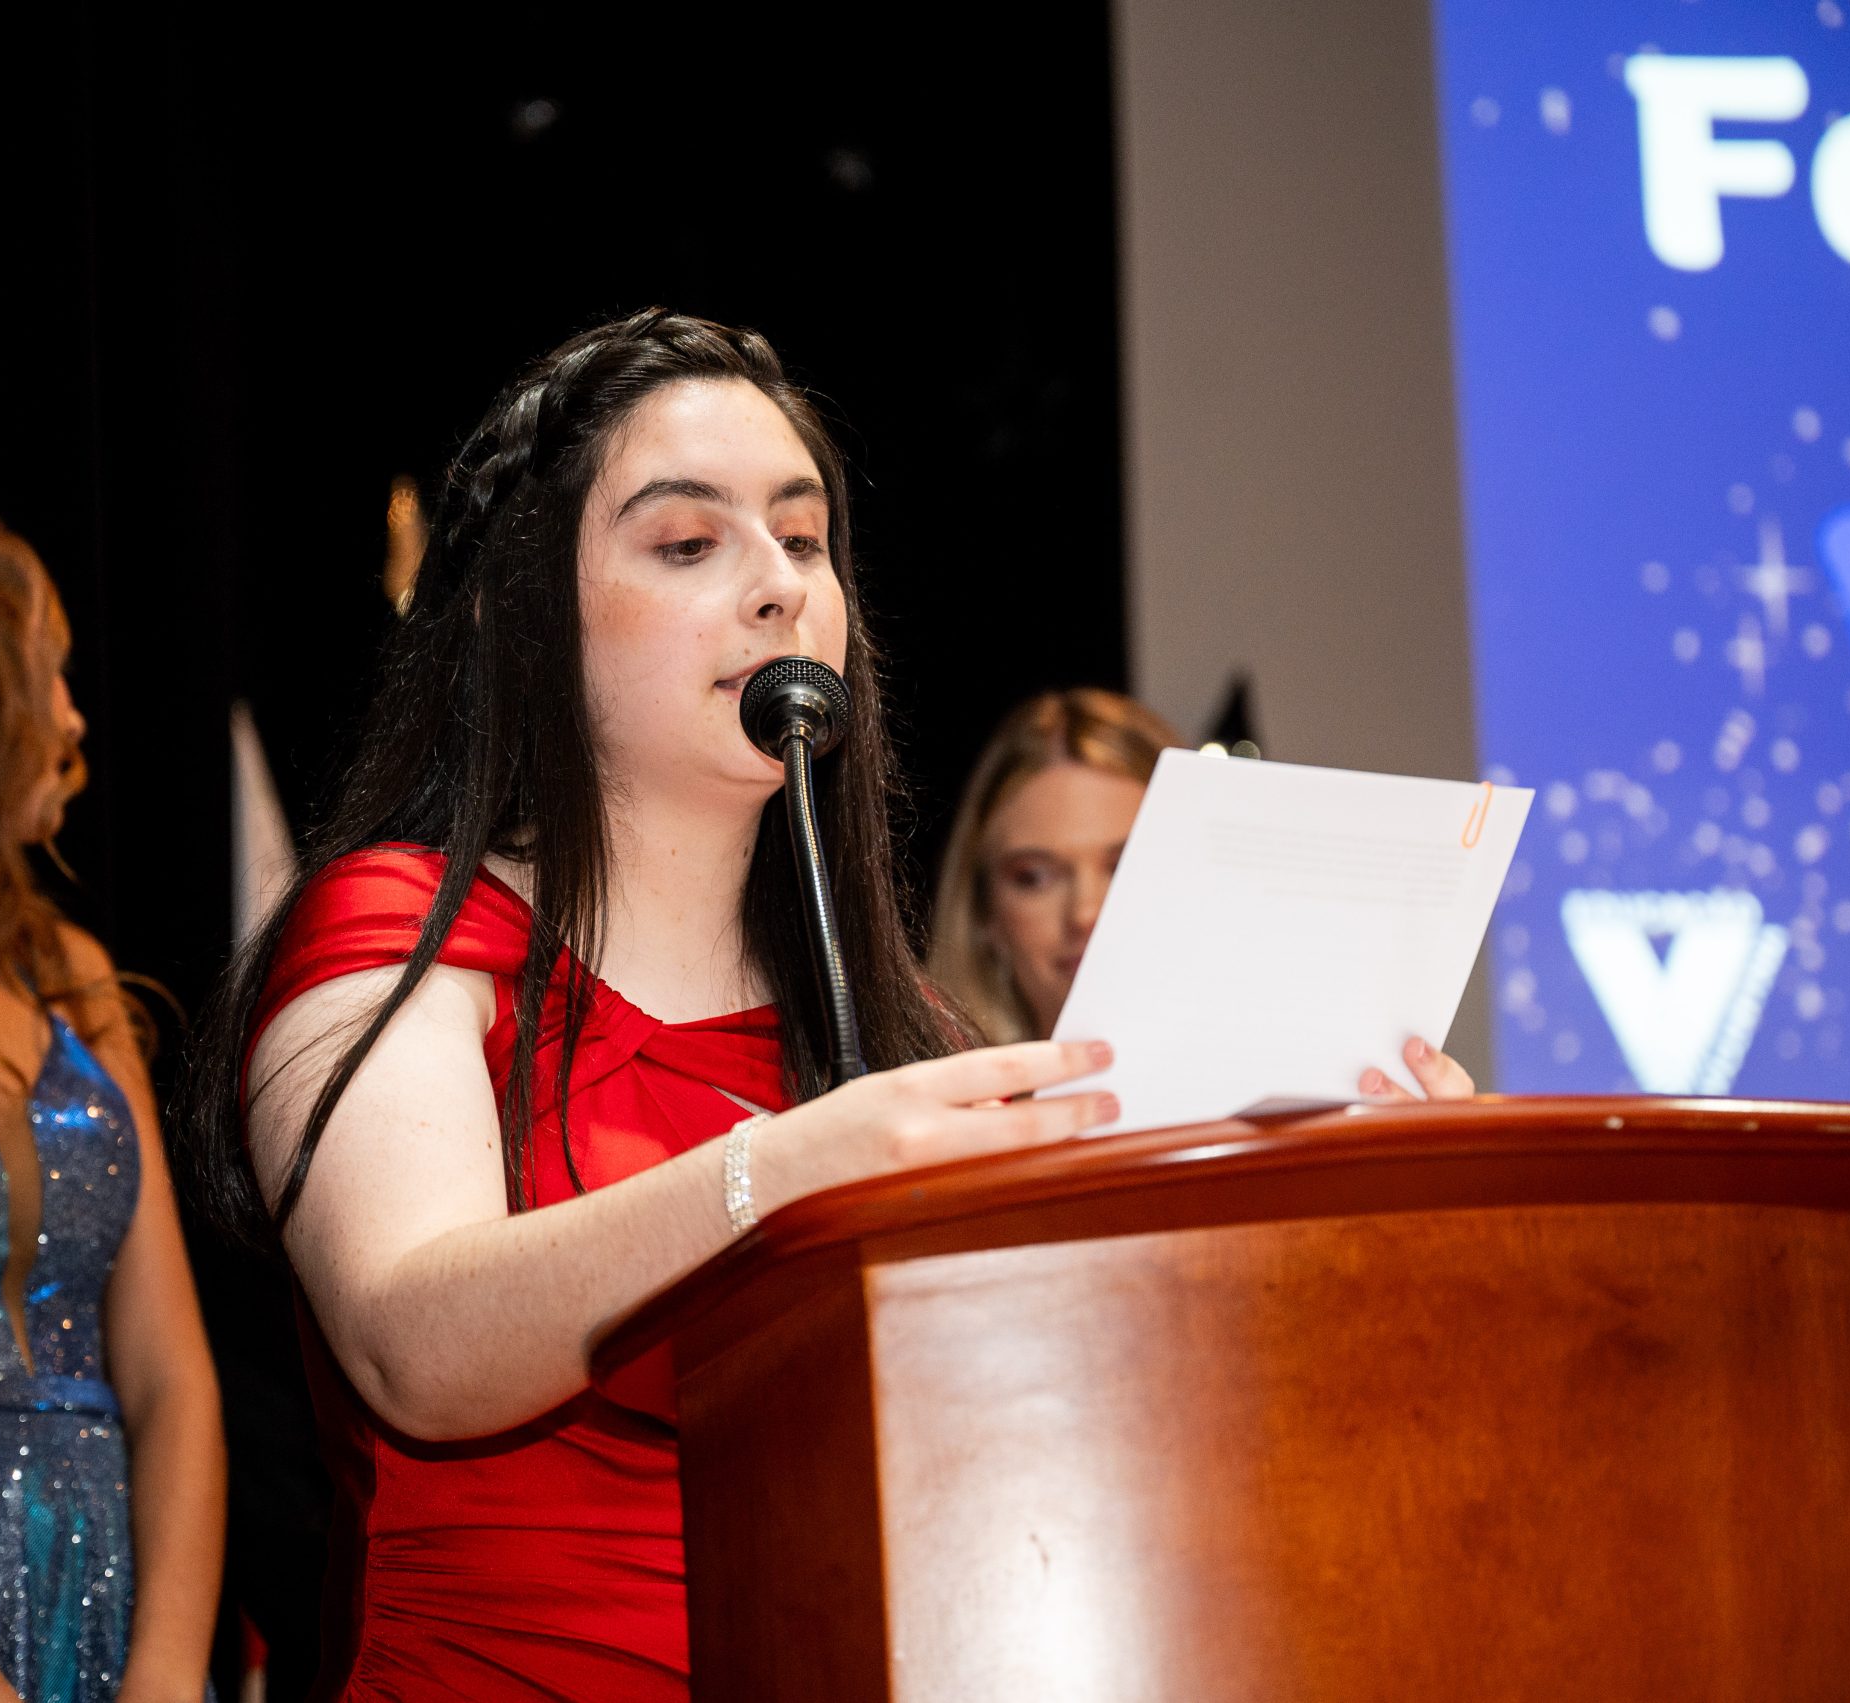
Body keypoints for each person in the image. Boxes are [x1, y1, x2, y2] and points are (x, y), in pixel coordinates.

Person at [179, 310, 1124, 1700]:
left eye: (803, 538)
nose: (778, 586)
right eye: (689, 543)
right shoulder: (404, 926)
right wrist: (777, 1171)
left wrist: (1356, 1167)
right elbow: (411, 1339)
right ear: (518, 615)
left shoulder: (897, 1026)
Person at [0, 474, 226, 1703]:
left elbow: (172, 1376)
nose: (74, 718)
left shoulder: (69, 975)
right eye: (44, 673)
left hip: (98, 1580)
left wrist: (167, 1671)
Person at [928, 687, 1477, 1101]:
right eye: (1034, 876)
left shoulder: (1312, 1101)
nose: (1086, 912)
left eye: (1126, 864)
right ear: (984, 917)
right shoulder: (946, 1132)